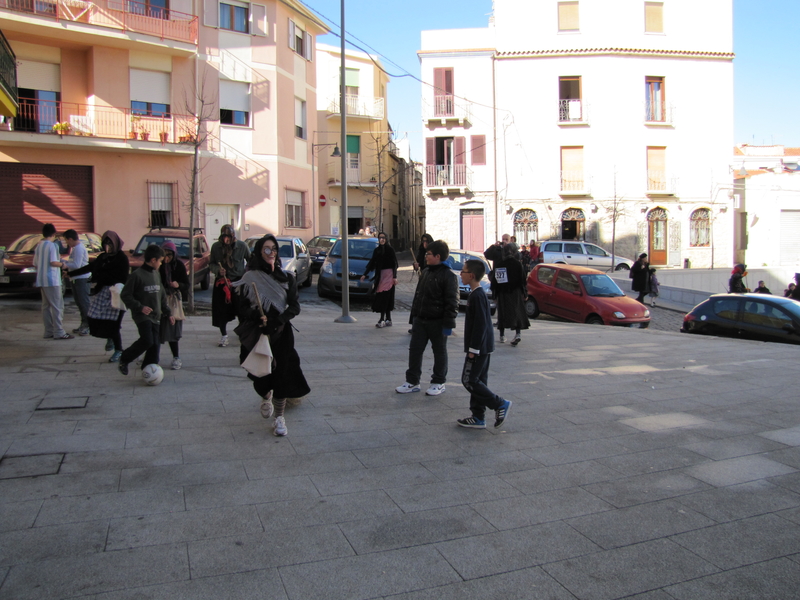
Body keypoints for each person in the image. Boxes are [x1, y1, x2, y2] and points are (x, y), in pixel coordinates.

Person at [233, 235, 310, 437]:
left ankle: (279, 418)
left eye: (274, 249)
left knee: (281, 375)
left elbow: (294, 307)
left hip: (281, 333)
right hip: (257, 332)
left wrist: (277, 320)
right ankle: (266, 395)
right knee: (257, 372)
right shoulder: (250, 278)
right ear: (259, 252)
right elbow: (241, 307)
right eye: (267, 249)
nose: (271, 253)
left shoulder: (287, 278)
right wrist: (258, 317)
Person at [396, 240, 459, 396]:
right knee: (415, 351)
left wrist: (448, 324)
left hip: (437, 322)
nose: (425, 256)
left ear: (438, 256)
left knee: (439, 352)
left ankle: (438, 382)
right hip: (421, 320)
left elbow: (452, 302)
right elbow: (419, 296)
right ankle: (412, 381)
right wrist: (414, 317)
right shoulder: (426, 272)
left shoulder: (449, 276)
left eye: (428, 254)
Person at [456, 259, 511, 429]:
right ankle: (478, 416)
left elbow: (480, 325)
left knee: (469, 380)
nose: (460, 274)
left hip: (479, 348)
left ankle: (499, 403)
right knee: (479, 380)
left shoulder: (478, 295)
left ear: (471, 275)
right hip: (483, 346)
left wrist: (473, 349)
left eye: (463, 271)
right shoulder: (476, 294)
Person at [67, 231, 130, 361]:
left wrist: (104, 277)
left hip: (117, 293)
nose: (108, 246)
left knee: (114, 324)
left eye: (110, 243)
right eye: (105, 243)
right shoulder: (103, 257)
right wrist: (71, 274)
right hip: (102, 292)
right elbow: (90, 267)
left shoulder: (121, 258)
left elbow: (123, 278)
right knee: (94, 318)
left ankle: (118, 349)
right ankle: (110, 337)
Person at [118, 245, 173, 376]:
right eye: (160, 261)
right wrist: (139, 307)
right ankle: (124, 358)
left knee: (155, 344)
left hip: (156, 315)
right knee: (147, 340)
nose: (161, 264)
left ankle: (149, 368)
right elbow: (125, 295)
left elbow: (162, 295)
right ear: (153, 260)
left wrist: (168, 312)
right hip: (142, 315)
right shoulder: (136, 275)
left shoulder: (156, 274)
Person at [209, 224, 250, 347]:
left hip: (237, 282)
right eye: (223, 237)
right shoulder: (216, 247)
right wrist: (217, 270)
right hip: (222, 283)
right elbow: (211, 263)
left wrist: (247, 275)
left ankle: (242, 333)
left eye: (228, 237)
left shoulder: (242, 246)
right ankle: (224, 335)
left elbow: (250, 261)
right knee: (221, 311)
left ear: (233, 236)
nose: (226, 240)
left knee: (241, 309)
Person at [34, 223, 72, 340]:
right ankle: (59, 331)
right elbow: (53, 262)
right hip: (52, 280)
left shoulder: (38, 246)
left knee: (45, 306)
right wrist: (63, 264)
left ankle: (48, 331)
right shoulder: (53, 246)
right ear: (54, 234)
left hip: (41, 279)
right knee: (57, 306)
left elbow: (35, 263)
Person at [491, 242, 530, 345]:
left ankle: (502, 335)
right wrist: (524, 293)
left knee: (503, 313)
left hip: (503, 292)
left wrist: (494, 294)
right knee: (516, 312)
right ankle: (517, 334)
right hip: (515, 292)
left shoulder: (500, 264)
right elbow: (522, 280)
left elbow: (496, 281)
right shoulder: (517, 264)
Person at [159, 241, 189, 370]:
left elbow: (186, 284)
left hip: (173, 300)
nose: (166, 258)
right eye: (164, 255)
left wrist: (178, 285)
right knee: (157, 329)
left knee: (172, 329)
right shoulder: (158, 265)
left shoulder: (179, 266)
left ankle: (176, 357)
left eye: (169, 255)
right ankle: (152, 356)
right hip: (160, 299)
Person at [360, 232, 398, 328]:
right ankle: (388, 319)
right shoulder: (377, 250)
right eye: (380, 238)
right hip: (380, 276)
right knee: (382, 296)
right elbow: (372, 262)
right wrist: (365, 274)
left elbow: (394, 264)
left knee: (386, 296)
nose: (382, 239)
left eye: (384, 238)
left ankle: (383, 319)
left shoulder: (390, 250)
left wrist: (394, 277)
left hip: (389, 275)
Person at [61, 229, 90, 336]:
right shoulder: (75, 249)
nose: (66, 243)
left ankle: (88, 325)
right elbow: (73, 263)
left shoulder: (78, 248)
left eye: (66, 240)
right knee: (79, 303)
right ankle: (83, 324)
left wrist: (65, 265)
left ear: (70, 239)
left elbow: (77, 265)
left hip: (82, 279)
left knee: (84, 303)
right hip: (75, 278)